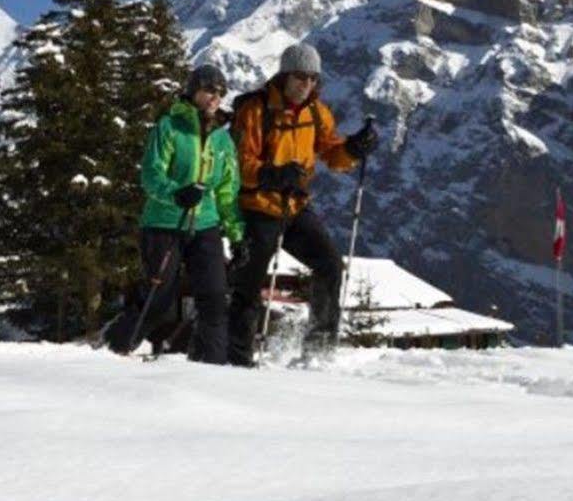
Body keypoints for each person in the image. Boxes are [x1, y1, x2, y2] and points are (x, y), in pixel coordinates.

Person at [225, 42, 378, 365]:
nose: (305, 84)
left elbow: (332, 154)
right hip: (259, 208)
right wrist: (273, 174)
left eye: (312, 78)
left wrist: (353, 148)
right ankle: (237, 359)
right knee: (248, 284)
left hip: (295, 208)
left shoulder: (316, 112)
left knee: (330, 265)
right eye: (299, 77)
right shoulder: (255, 110)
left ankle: (319, 349)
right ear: (284, 76)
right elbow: (239, 164)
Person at [109, 63, 242, 363]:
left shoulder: (222, 139)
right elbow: (151, 176)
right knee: (159, 297)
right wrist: (176, 193)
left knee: (214, 297)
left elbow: (227, 190)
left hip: (205, 224)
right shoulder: (169, 127)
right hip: (164, 223)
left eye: (220, 93)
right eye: (209, 90)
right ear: (193, 91)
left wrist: (236, 233)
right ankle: (115, 347)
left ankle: (212, 365)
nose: (214, 98)